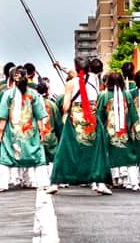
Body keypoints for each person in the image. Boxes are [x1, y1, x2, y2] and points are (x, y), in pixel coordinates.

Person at [49, 58, 111, 195]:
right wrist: (62, 67)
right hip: (92, 118)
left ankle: (55, 183)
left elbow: (65, 107)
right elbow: (78, 76)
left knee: (65, 150)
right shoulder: (95, 79)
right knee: (97, 150)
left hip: (75, 119)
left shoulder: (71, 83)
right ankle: (100, 183)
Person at [0, 66, 49, 191]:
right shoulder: (33, 94)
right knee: (38, 157)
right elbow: (39, 115)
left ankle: (2, 184)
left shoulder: (7, 94)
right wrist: (41, 131)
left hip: (12, 133)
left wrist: (0, 131)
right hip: (31, 132)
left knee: (6, 156)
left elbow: (3, 116)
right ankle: (43, 182)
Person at [98, 72, 138, 191]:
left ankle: (113, 180)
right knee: (129, 157)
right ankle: (133, 182)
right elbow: (133, 115)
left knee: (110, 155)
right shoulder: (127, 95)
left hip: (109, 132)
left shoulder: (103, 96)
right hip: (125, 131)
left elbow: (99, 116)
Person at [37, 81, 62, 193]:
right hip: (51, 136)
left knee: (42, 161)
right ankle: (53, 181)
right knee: (53, 160)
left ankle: (42, 182)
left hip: (38, 136)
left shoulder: (35, 104)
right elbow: (58, 123)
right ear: (47, 91)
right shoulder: (52, 105)